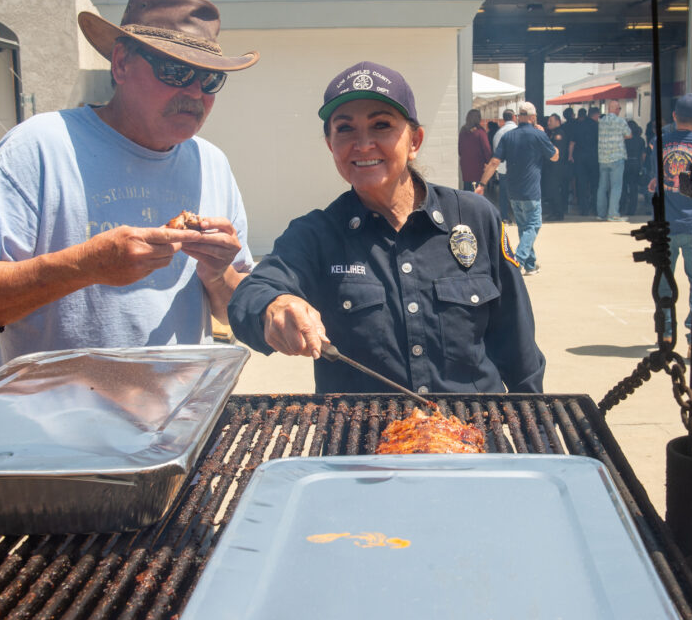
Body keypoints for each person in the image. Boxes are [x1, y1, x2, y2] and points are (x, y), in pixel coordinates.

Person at [0, 0, 258, 369]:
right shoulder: (40, 146)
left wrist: (218, 274)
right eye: (176, 71)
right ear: (121, 64)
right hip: (56, 422)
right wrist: (85, 266)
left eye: (210, 78)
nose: (195, 91)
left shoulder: (211, 162)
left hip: (182, 418)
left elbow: (231, 313)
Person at [227, 61, 544, 395]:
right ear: (330, 145)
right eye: (345, 129)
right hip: (365, 442)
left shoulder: (475, 217)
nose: (363, 144)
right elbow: (249, 296)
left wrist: (536, 427)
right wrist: (273, 306)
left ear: (415, 141)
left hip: (472, 438)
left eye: (381, 125)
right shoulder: (315, 235)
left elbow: (517, 342)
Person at [478, 101, 559, 276]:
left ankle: (530, 264)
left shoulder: (508, 137)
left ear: (518, 117)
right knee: (533, 225)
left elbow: (494, 162)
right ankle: (517, 262)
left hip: (513, 190)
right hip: (531, 191)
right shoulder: (539, 135)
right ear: (533, 117)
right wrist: (545, 135)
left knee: (523, 226)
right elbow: (554, 157)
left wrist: (482, 184)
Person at [649, 94, 692, 345]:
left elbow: (657, 177)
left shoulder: (660, 142)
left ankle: (666, 332)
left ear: (675, 116)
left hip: (666, 225)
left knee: (664, 280)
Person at [596, 99, 633, 221]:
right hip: (616, 157)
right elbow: (629, 135)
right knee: (616, 187)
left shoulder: (601, 122)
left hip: (602, 157)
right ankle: (612, 214)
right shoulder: (621, 121)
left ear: (608, 109)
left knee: (602, 187)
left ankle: (600, 213)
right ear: (617, 110)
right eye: (619, 108)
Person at [570, 107, 600, 216]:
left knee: (581, 184)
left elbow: (572, 143)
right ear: (596, 115)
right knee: (595, 184)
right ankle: (595, 207)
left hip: (580, 158)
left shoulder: (579, 125)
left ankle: (584, 209)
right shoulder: (597, 126)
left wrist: (570, 155)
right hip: (594, 158)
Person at [491, 109, 517, 221]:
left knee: (503, 194)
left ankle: (505, 216)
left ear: (503, 118)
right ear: (514, 117)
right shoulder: (518, 131)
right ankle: (518, 216)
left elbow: (496, 151)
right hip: (518, 168)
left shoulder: (499, 133)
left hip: (502, 168)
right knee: (517, 193)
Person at [542, 113, 569, 221]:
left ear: (557, 122)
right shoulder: (553, 133)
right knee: (550, 189)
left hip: (556, 167)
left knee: (554, 190)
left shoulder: (559, 133)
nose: (548, 123)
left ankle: (558, 212)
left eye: (551, 121)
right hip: (551, 167)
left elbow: (557, 151)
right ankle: (554, 211)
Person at [458, 109, 491, 193]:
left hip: (465, 165)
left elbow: (460, 150)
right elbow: (487, 149)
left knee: (467, 188)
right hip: (478, 165)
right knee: (477, 190)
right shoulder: (480, 132)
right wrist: (489, 162)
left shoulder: (463, 131)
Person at [622, 118, 646, 216]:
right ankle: (632, 209)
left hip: (625, 163)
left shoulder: (623, 139)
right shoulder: (641, 140)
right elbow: (643, 155)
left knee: (623, 187)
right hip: (635, 163)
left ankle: (622, 206)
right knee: (633, 188)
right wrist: (641, 165)